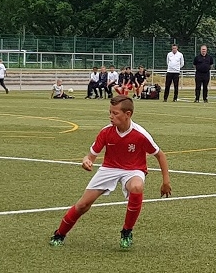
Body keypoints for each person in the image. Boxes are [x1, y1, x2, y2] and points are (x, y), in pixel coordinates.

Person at [49, 96, 171, 249]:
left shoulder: (140, 134)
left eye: (115, 113)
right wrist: (86, 161)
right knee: (83, 205)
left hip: (133, 170)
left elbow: (160, 155)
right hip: (109, 168)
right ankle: (60, 234)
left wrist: (166, 181)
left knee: (136, 187)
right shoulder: (106, 132)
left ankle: (127, 231)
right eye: (110, 112)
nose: (111, 116)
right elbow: (90, 156)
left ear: (128, 114)